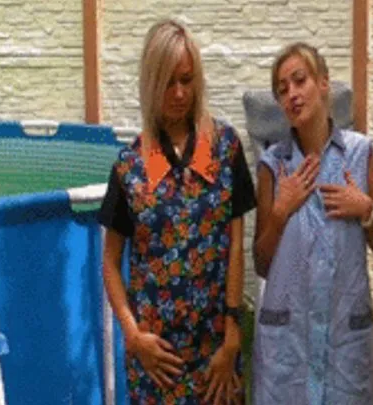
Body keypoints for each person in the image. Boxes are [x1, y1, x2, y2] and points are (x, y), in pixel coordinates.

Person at [99, 19, 256, 404]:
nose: (180, 93)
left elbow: (236, 243)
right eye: (168, 81)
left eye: (187, 79)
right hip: (157, 361)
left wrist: (232, 334)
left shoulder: (224, 147)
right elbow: (110, 260)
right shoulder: (130, 167)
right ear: (152, 83)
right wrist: (133, 336)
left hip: (217, 351)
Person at [251, 42, 373, 405]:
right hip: (289, 344)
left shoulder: (360, 154)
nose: (292, 95)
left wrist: (366, 209)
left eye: (299, 81)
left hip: (344, 339)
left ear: (324, 83)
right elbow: (262, 263)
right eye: (282, 90)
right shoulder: (272, 166)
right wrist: (281, 210)